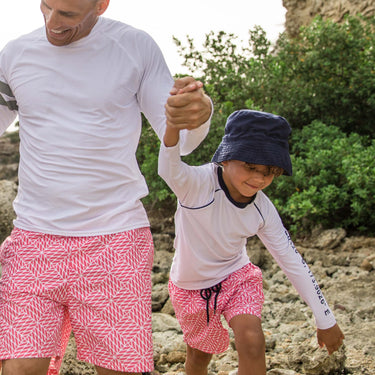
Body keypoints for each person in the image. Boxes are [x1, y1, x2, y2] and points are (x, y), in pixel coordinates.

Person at [0, 0, 213, 374]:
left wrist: (198, 114)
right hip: (33, 239)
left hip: (114, 239)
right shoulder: (14, 55)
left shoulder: (134, 48)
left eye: (66, 13)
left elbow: (180, 137)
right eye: (46, 5)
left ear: (100, 5)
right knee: (17, 369)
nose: (52, 21)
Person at [158, 109, 345, 375]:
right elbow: (168, 166)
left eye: (268, 171)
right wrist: (173, 125)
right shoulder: (196, 184)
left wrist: (325, 318)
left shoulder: (263, 210)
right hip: (190, 287)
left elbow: (291, 260)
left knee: (253, 340)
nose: (258, 179)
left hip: (237, 278)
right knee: (199, 357)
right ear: (226, 158)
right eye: (250, 166)